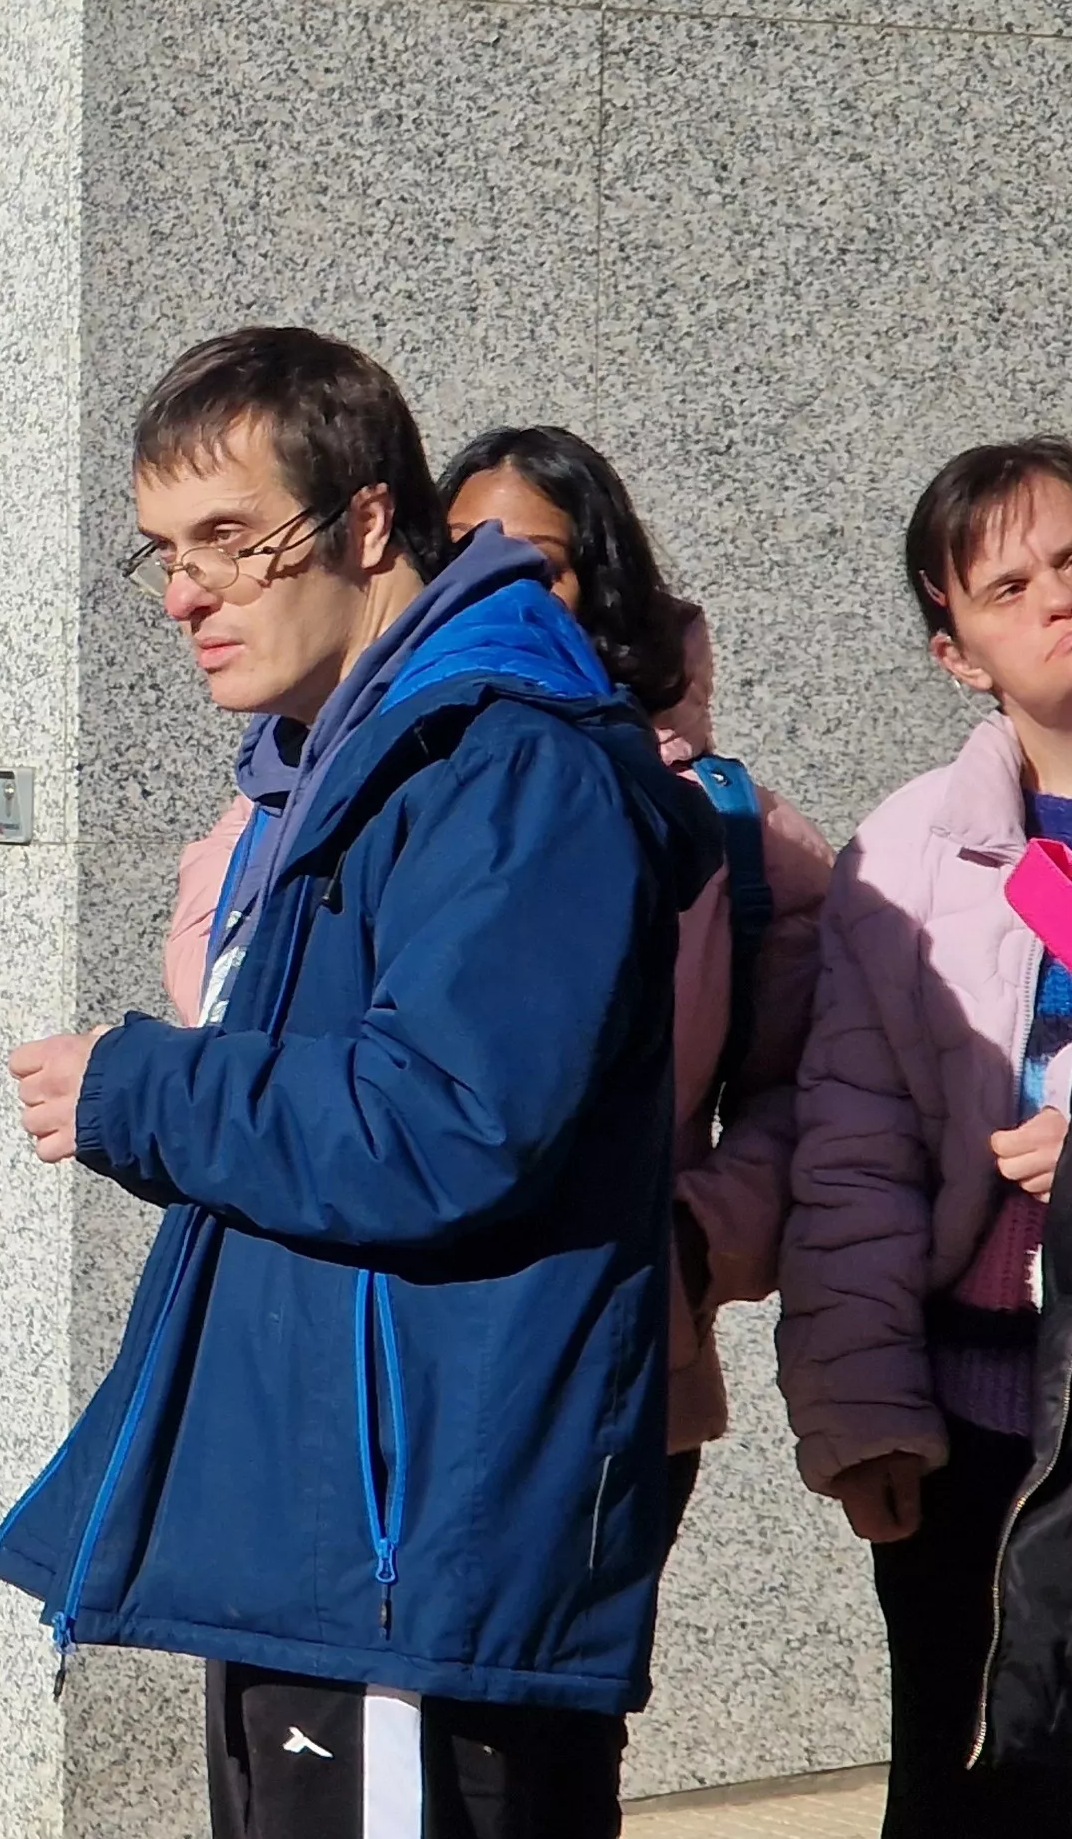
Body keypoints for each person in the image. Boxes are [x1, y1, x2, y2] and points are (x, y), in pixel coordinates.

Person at [0, 327, 716, 1837]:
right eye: (163, 555)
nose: (187, 594)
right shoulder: (340, 754)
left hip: (414, 1535)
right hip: (341, 1534)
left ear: (371, 523)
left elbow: (441, 1125)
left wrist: (143, 1090)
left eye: (229, 542)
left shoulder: (506, 763)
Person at [159, 424, 832, 1543]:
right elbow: (242, 1038)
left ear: (601, 589)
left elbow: (815, 1089)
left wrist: (700, 1237)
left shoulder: (722, 829)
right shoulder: (286, 804)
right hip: (339, 1357)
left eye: (542, 563)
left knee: (518, 1714)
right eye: (471, 550)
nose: (501, 583)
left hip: (598, 1363)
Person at [886, 440, 1072, 1826]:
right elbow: (848, 1156)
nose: (1060, 595)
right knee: (971, 1787)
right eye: (1008, 586)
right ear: (958, 653)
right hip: (978, 1414)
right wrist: (861, 1410)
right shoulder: (903, 856)